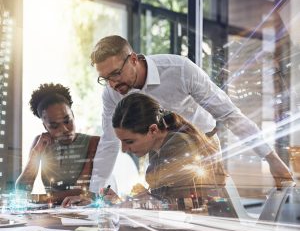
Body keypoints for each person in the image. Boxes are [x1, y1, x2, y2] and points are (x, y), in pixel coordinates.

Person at [89, 35, 293, 193]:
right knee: (162, 209)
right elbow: (109, 141)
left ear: (133, 59)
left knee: (212, 209)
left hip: (202, 144)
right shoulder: (112, 93)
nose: (112, 84)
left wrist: (272, 159)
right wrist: (94, 193)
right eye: (105, 78)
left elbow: (229, 114)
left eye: (116, 73)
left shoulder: (179, 70)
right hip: (159, 148)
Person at [112, 93, 230, 212]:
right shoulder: (156, 149)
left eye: (129, 141)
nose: (124, 149)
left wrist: (143, 201)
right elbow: (166, 198)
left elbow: (187, 204)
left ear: (153, 130)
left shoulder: (179, 145)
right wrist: (125, 200)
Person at [15, 83, 113, 205]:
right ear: (45, 126)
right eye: (54, 126)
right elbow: (21, 191)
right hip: (50, 217)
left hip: (83, 216)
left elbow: (81, 191)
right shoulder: (40, 143)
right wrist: (36, 153)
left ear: (73, 115)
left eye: (67, 121)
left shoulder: (94, 143)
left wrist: (40, 199)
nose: (65, 129)